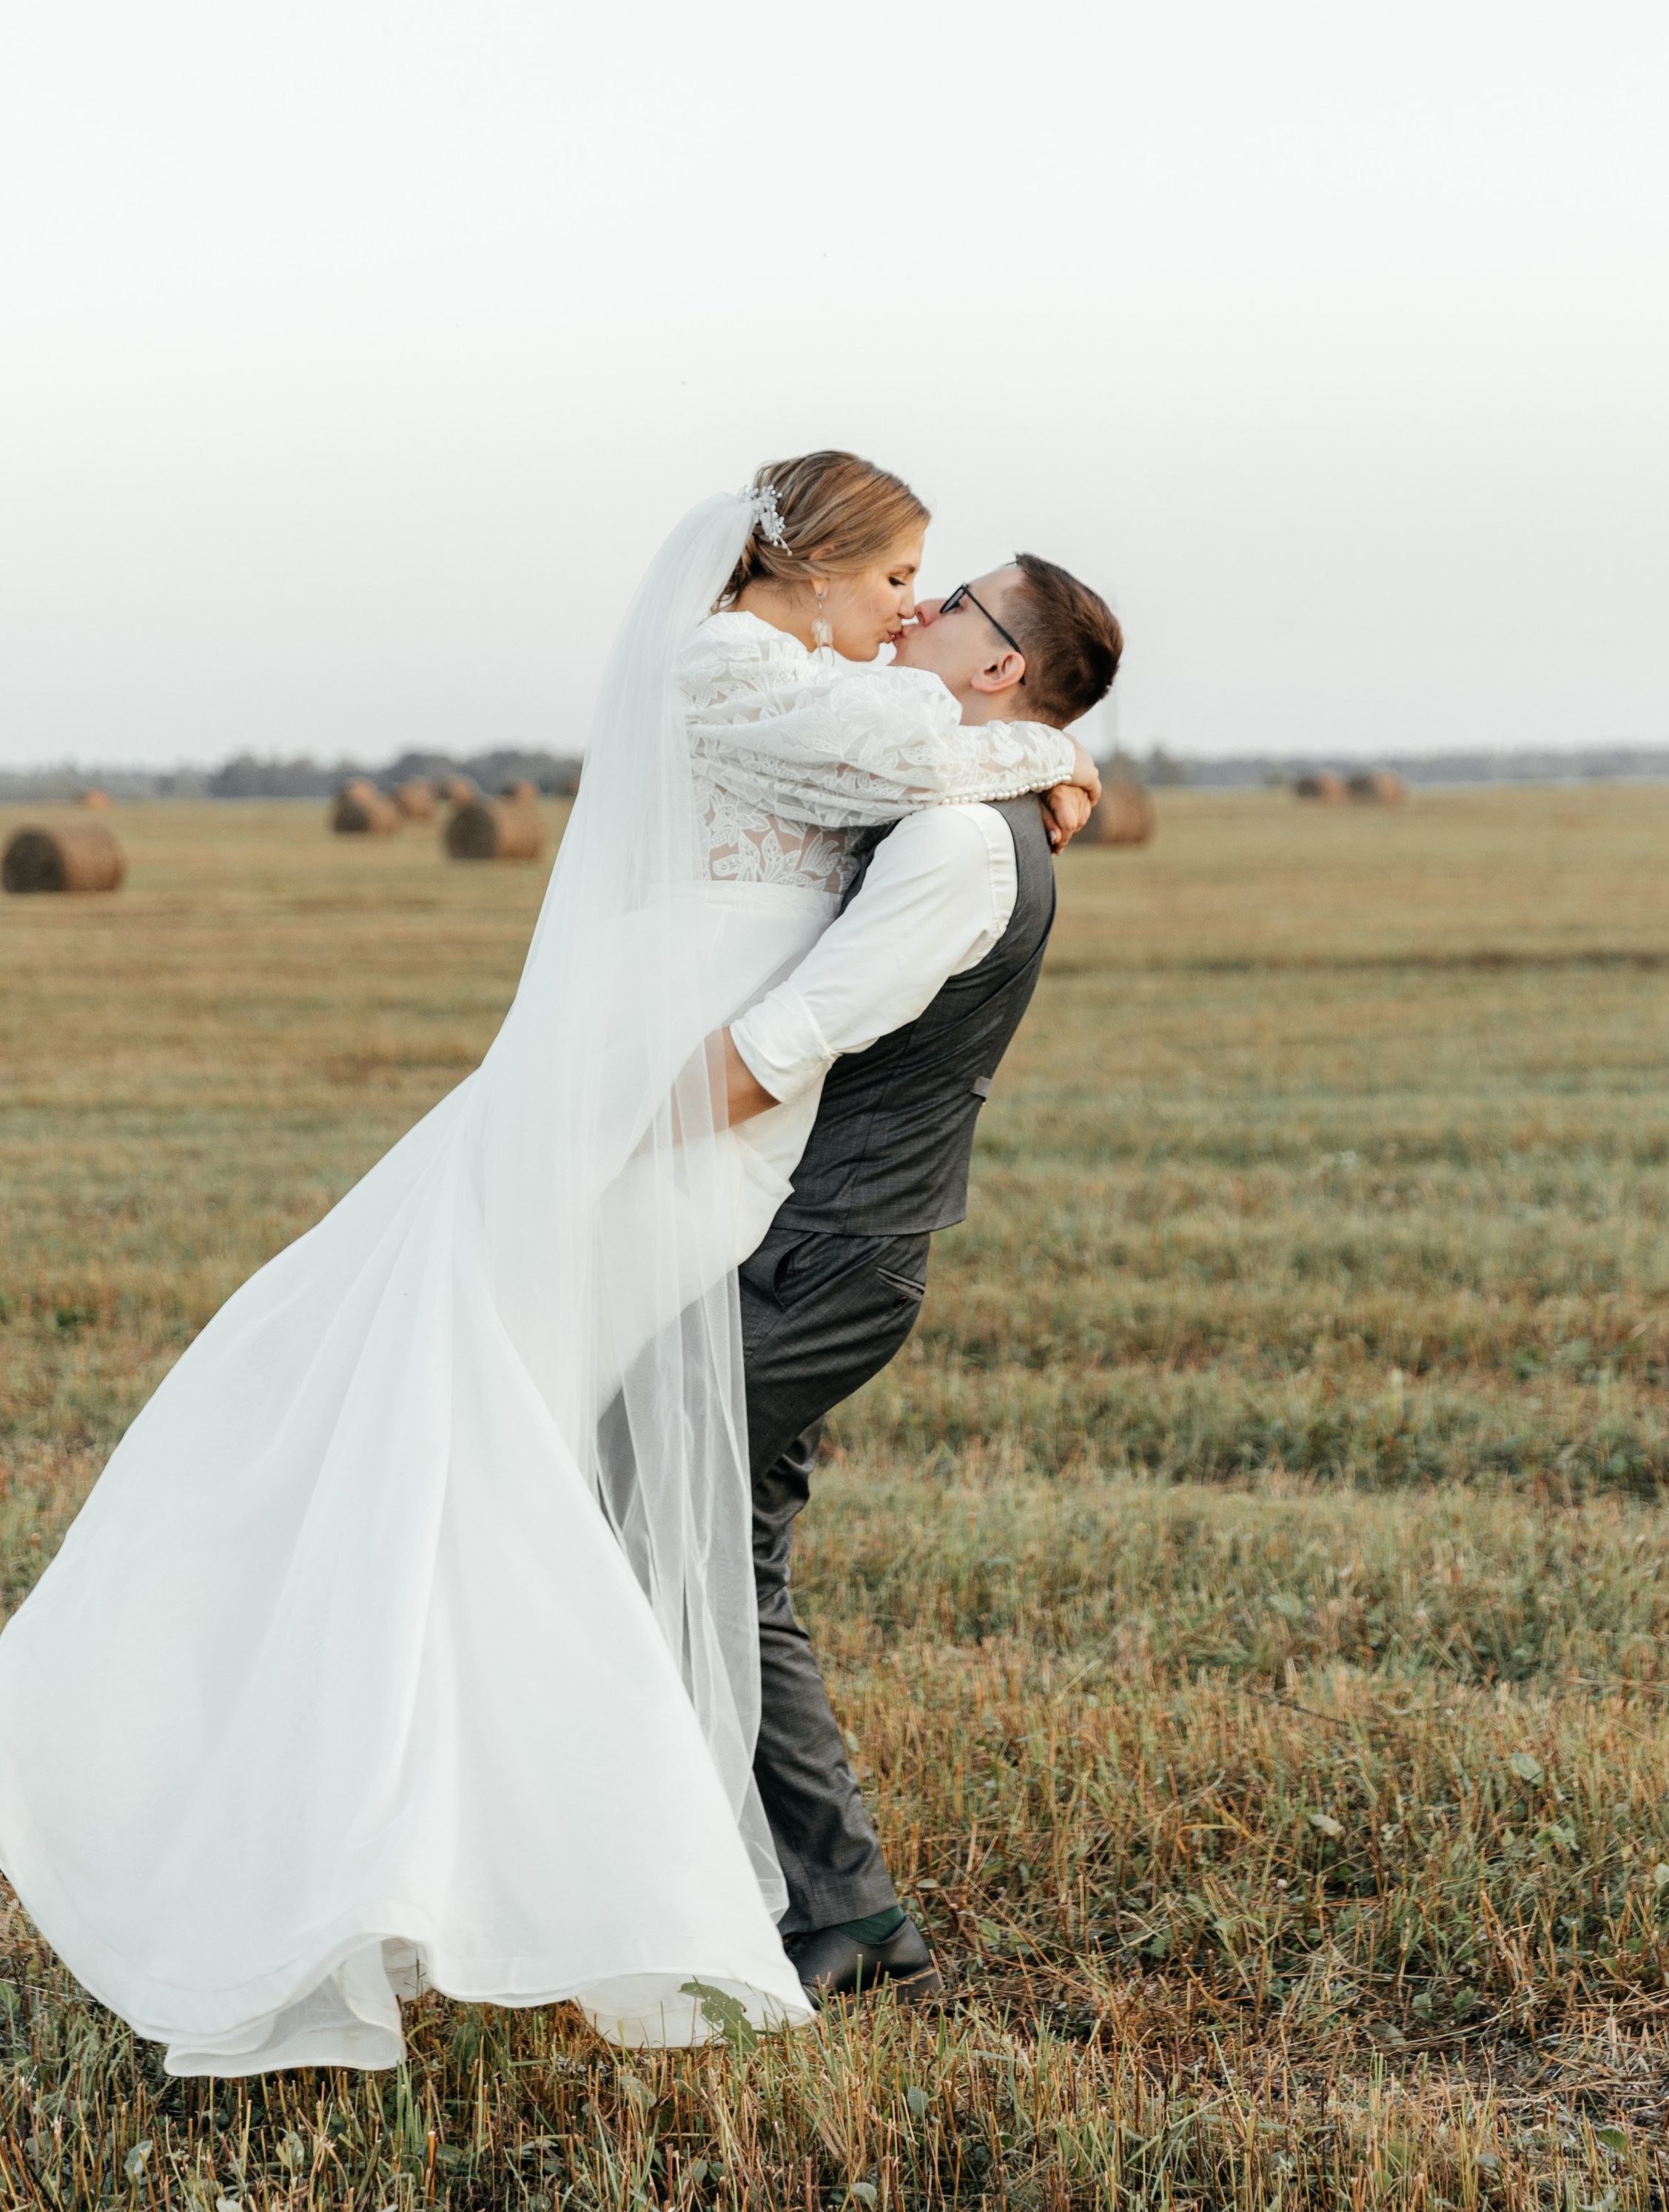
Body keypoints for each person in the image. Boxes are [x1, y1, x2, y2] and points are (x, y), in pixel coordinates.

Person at [0, 454, 1097, 2074]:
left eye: (937, 594)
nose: (906, 610)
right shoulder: (742, 671)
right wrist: (1053, 750)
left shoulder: (825, 693)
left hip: (710, 1119)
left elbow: (933, 777)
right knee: (520, 1467)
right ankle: (438, 1852)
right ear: (806, 567)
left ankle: (622, 1867)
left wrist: (1030, 759)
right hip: (658, 1107)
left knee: (579, 1479)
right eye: (895, 579)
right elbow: (928, 755)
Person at [716, 553, 1125, 2000]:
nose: (919, 605)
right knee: (713, 1554)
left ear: (999, 663)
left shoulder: (961, 844)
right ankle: (842, 1910)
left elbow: (778, 1051)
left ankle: (798, 1900)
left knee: (651, 1530)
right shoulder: (978, 804)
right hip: (830, 1252)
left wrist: (548, 1145)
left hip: (816, 1259)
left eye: (950, 595)